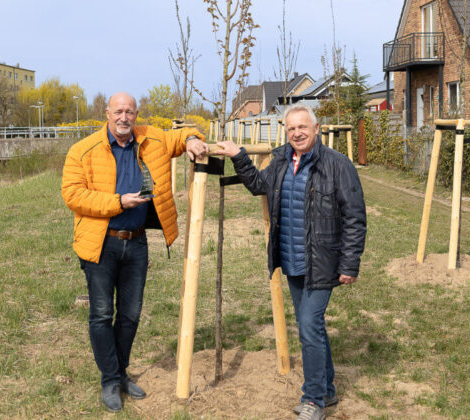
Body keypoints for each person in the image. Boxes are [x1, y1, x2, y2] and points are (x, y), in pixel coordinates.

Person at [215, 104, 366, 420]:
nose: (296, 133)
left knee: (309, 327)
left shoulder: (337, 165)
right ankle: (327, 390)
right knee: (312, 327)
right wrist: (237, 155)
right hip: (292, 258)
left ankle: (312, 401)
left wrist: (350, 264)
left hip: (322, 261)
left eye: (302, 127)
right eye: (291, 128)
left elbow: (355, 217)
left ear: (316, 128)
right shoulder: (282, 159)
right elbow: (259, 185)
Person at [61, 92, 208, 412]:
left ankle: (121, 372)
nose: (124, 117)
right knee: (101, 314)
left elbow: (182, 135)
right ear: (107, 113)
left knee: (130, 314)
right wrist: (118, 202)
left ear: (136, 114)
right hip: (101, 243)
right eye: (118, 112)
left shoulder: (152, 139)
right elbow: (72, 195)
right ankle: (110, 380)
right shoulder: (82, 150)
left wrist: (195, 140)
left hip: (137, 243)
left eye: (129, 112)